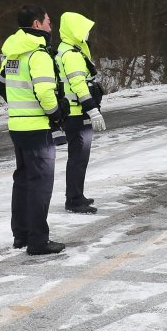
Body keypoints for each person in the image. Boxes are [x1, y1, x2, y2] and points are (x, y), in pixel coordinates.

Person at [1, 5, 66, 255]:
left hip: (17, 124)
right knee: (40, 184)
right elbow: (45, 92)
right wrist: (57, 114)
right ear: (37, 25)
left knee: (23, 182)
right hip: (38, 127)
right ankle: (38, 240)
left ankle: (21, 235)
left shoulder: (12, 53)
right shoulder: (39, 55)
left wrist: (20, 105)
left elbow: (1, 85)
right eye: (48, 21)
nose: (51, 26)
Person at [54, 11, 108, 214]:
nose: (87, 33)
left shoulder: (66, 50)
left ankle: (76, 195)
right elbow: (78, 85)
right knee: (79, 158)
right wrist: (92, 110)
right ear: (74, 30)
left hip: (74, 111)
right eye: (84, 29)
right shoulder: (72, 55)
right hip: (77, 112)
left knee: (77, 157)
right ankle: (74, 200)